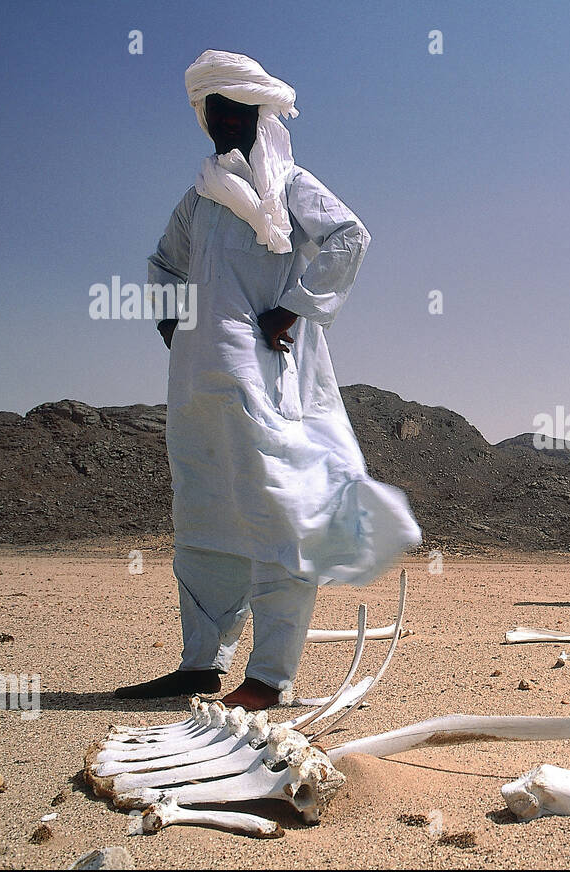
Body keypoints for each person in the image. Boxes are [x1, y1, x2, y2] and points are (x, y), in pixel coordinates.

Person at [116, 51, 421, 710]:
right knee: (203, 521)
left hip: (262, 380)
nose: (223, 121)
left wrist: (294, 307)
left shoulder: (291, 186)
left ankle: (270, 678)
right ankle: (201, 664)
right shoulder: (199, 198)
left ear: (258, 113)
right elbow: (164, 264)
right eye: (213, 111)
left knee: (275, 513)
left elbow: (349, 237)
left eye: (235, 109)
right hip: (197, 386)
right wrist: (174, 324)